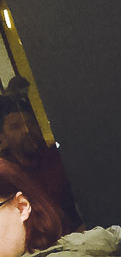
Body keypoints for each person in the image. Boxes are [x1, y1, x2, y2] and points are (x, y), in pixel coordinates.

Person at [0, 89, 81, 233]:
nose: (27, 130)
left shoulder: (56, 157)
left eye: (30, 123)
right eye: (15, 127)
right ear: (3, 139)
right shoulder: (6, 177)